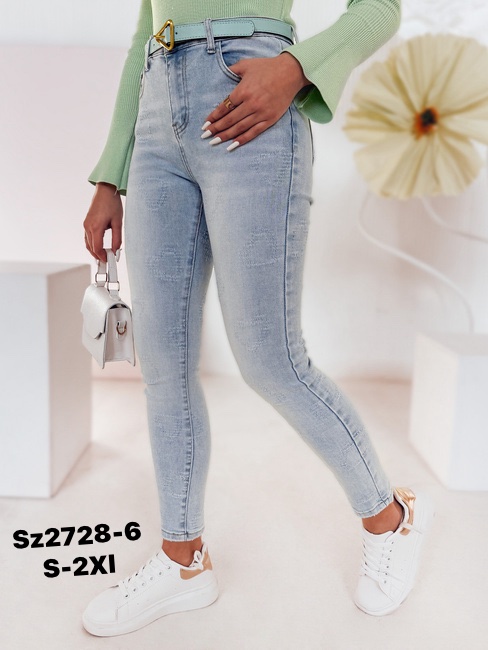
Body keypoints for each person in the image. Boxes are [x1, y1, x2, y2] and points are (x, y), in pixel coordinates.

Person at [82, 0, 434, 637]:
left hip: (250, 96)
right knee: (163, 364)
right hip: (158, 119)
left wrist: (297, 68)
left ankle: (391, 518)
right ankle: (183, 561)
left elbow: (379, 8)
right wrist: (110, 173)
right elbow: (144, 32)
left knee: (271, 360)